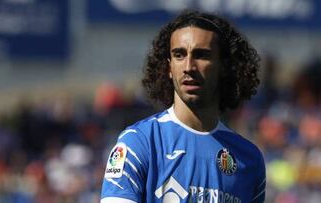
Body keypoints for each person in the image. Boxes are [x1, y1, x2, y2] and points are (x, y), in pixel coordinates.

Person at [101, 10, 266, 203]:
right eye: (179, 55)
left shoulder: (250, 159)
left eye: (201, 55)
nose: (189, 66)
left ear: (224, 66)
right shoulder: (139, 143)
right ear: (169, 68)